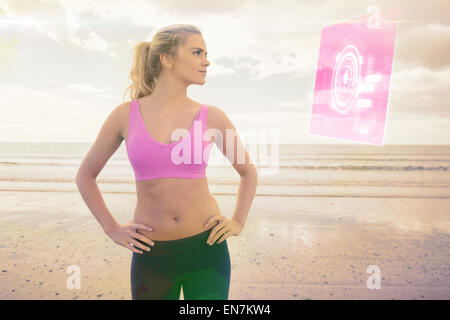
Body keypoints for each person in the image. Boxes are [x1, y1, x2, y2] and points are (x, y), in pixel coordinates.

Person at [75, 24, 258, 300]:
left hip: (207, 248)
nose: (206, 61)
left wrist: (238, 221)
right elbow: (85, 176)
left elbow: (248, 172)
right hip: (151, 254)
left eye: (206, 53)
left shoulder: (213, 117)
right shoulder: (124, 115)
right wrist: (111, 228)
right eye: (197, 52)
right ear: (167, 58)